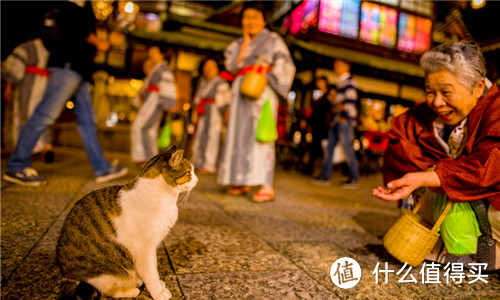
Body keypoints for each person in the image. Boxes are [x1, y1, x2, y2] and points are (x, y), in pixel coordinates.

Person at [373, 41, 500, 271]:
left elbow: (490, 166)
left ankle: (478, 253)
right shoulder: (424, 113)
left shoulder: (497, 110)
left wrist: (431, 176)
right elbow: (400, 140)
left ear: (479, 88)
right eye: (430, 91)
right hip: (444, 194)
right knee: (424, 195)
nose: (437, 102)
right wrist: (428, 175)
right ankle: (447, 246)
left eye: (446, 92)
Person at [3, 0, 127, 186]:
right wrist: (97, 42)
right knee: (44, 115)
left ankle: (102, 168)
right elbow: (75, 31)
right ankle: (16, 165)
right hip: (68, 67)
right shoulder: (70, 5)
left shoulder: (82, 6)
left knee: (87, 122)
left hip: (79, 71)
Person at [217, 2, 295, 202]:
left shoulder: (273, 39)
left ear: (263, 20)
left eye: (255, 17)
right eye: (246, 17)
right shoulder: (236, 44)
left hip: (262, 90)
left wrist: (267, 74)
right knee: (238, 135)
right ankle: (241, 179)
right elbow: (232, 66)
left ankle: (266, 185)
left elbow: (286, 65)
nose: (250, 22)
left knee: (260, 136)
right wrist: (245, 42)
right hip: (240, 92)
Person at [2, 38, 54, 162]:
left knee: (25, 114)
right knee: (43, 114)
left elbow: (14, 68)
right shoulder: (47, 49)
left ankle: (22, 150)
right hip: (45, 82)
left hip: (29, 83)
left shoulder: (25, 47)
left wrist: (9, 85)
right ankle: (47, 145)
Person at [313, 58, 360, 189]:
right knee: (329, 148)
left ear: (347, 66)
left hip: (344, 120)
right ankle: (325, 176)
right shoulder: (341, 82)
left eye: (339, 65)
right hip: (337, 120)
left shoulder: (349, 81)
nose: (336, 67)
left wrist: (344, 116)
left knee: (347, 149)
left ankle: (354, 178)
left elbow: (350, 101)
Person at [131, 46, 177, 166]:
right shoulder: (156, 69)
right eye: (150, 51)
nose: (151, 54)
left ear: (161, 54)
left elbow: (168, 87)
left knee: (143, 127)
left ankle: (147, 157)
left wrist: (169, 104)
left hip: (155, 101)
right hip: (150, 100)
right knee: (148, 129)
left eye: (154, 52)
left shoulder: (163, 69)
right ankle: (148, 157)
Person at [190, 59, 231, 175]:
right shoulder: (202, 83)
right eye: (206, 66)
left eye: (211, 67)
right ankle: (197, 162)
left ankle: (209, 165)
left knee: (212, 139)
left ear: (216, 69)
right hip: (203, 114)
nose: (208, 70)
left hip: (215, 115)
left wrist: (225, 118)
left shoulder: (221, 83)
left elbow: (226, 103)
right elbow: (197, 100)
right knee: (199, 138)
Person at [303, 76, 333, 176]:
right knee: (314, 148)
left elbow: (324, 113)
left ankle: (320, 172)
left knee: (320, 150)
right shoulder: (319, 95)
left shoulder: (328, 96)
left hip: (322, 127)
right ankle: (311, 169)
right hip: (316, 126)